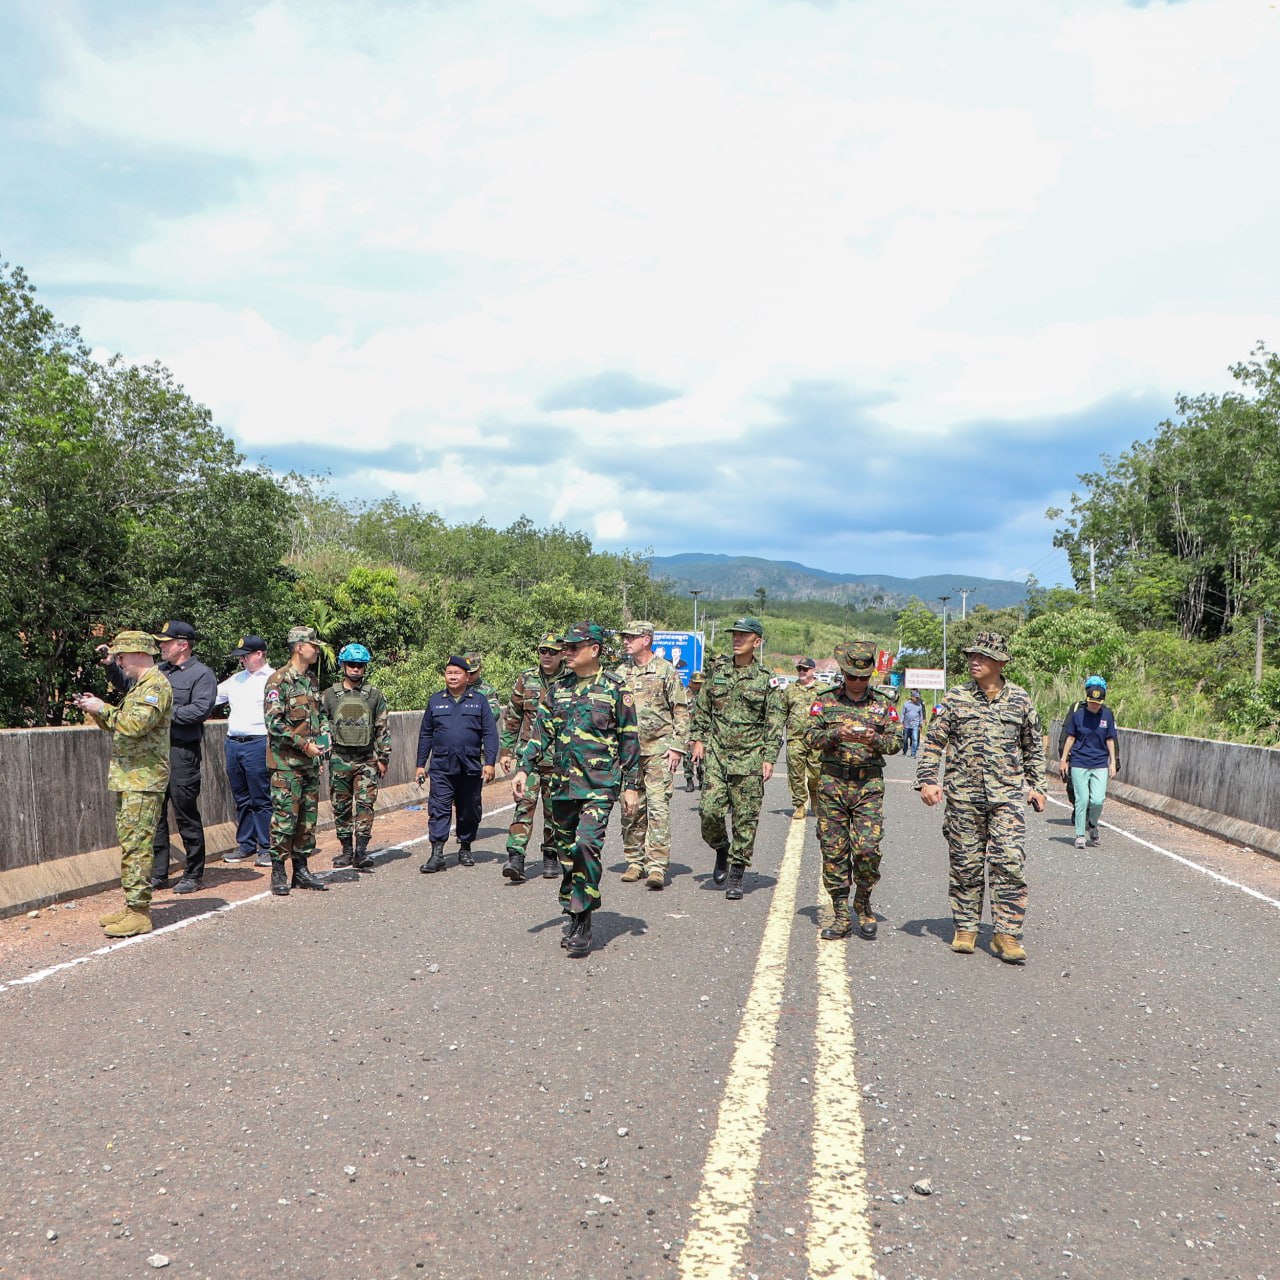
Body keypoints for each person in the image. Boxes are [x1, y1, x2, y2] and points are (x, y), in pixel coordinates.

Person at [915, 630, 1046, 964]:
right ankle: (966, 927)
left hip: (1007, 798)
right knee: (966, 864)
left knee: (1009, 862)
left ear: (1000, 663)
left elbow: (1033, 746)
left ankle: (1006, 934)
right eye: (972, 656)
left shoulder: (1020, 700)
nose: (974, 661)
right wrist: (928, 780)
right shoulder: (955, 698)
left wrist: (1037, 786)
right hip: (963, 797)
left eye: (982, 657)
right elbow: (933, 742)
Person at [512, 621, 640, 958]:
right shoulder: (558, 690)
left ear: (594, 650)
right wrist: (524, 768)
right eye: (564, 647)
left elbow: (629, 740)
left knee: (586, 845)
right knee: (568, 855)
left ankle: (583, 919)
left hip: (599, 786)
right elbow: (540, 734)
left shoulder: (615, 689)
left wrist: (631, 786)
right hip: (563, 786)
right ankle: (573, 910)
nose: (565, 652)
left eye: (573, 647)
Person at [103, 620, 216, 895]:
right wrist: (110, 665)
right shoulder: (158, 672)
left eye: (167, 642)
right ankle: (158, 872)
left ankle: (193, 872)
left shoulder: (201, 674)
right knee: (155, 815)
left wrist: (161, 715)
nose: (161, 646)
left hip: (180, 751)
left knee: (185, 811)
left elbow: (200, 710)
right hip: (153, 754)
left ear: (183, 645)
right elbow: (127, 686)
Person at [74, 631, 174, 937]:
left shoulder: (156, 686)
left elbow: (135, 725)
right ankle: (132, 906)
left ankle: (139, 912)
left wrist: (103, 708)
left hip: (143, 779)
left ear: (140, 654)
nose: (119, 662)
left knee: (137, 846)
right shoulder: (140, 686)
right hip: (130, 778)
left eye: (122, 656)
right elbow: (119, 724)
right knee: (130, 844)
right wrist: (95, 710)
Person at [804, 641, 902, 940]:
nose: (857, 682)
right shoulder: (825, 700)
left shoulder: (883, 703)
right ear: (844, 674)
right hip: (832, 784)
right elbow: (809, 736)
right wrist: (836, 734)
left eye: (863, 677)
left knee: (867, 849)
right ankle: (841, 913)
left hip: (867, 786)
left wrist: (874, 739)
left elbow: (896, 743)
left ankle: (863, 899)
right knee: (833, 851)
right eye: (852, 676)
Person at [689, 617, 784, 899]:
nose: (737, 639)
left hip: (750, 758)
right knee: (709, 811)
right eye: (735, 635)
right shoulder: (718, 671)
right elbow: (703, 708)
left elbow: (774, 721)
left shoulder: (766, 679)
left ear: (757, 642)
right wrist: (698, 739)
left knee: (745, 818)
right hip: (717, 755)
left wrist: (769, 757)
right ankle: (721, 848)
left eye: (743, 635)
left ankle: (737, 873)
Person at [614, 620, 690, 889]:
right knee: (631, 809)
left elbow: (680, 710)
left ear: (646, 639)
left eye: (631, 637)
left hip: (658, 751)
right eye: (625, 637)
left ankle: (656, 865)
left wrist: (677, 746)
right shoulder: (620, 672)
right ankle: (635, 861)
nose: (626, 641)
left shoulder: (665, 670)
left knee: (658, 809)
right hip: (629, 754)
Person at [264, 626, 332, 896]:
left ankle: (301, 870)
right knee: (284, 819)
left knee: (307, 820)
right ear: (299, 647)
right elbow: (274, 724)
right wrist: (304, 745)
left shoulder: (311, 680)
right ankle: (278, 871)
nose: (317, 650)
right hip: (286, 765)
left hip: (310, 764)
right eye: (313, 646)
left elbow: (320, 714)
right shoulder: (278, 681)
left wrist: (325, 734)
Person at [416, 657, 498, 872]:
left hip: (470, 765)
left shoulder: (479, 701)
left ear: (467, 677)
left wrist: (490, 762)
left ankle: (465, 846)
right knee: (439, 808)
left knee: (469, 809)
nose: (452, 677)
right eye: (449, 672)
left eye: (457, 673)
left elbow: (490, 733)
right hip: (442, 766)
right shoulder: (435, 701)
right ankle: (437, 854)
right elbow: (426, 734)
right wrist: (420, 764)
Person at [498, 633, 566, 883]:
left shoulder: (571, 681)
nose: (546, 656)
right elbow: (513, 716)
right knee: (523, 805)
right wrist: (506, 750)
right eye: (542, 651)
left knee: (554, 810)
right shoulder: (526, 679)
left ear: (562, 654)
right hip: (529, 758)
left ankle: (551, 854)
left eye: (552, 651)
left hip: (559, 758)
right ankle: (516, 856)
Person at [322, 643, 391, 873]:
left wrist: (384, 757)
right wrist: (320, 756)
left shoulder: (374, 695)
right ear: (343, 665)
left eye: (360, 665)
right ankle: (346, 851)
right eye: (351, 664)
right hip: (339, 758)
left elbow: (382, 727)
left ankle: (361, 852)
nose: (356, 669)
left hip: (366, 759)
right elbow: (320, 724)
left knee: (365, 805)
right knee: (341, 806)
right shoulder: (329, 695)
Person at [214, 635, 274, 868]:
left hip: (258, 742)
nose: (243, 660)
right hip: (234, 742)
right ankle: (246, 844)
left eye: (246, 656)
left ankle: (266, 847)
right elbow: (211, 697)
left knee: (261, 797)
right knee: (241, 797)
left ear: (259, 654)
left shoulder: (272, 679)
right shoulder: (235, 680)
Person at [1058, 676, 1118, 849]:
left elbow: (1110, 739)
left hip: (1099, 763)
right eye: (1091, 702)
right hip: (1079, 761)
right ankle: (1080, 835)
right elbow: (1070, 737)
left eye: (1097, 703)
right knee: (1082, 800)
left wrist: (1113, 762)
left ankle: (1092, 824)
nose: (1094, 706)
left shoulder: (1107, 715)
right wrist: (1064, 760)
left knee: (1097, 800)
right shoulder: (1078, 714)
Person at [780, 656, 822, 818]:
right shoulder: (790, 690)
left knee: (817, 773)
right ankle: (799, 804)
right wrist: (777, 732)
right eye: (799, 669)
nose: (802, 672)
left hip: (817, 738)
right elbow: (782, 712)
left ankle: (815, 797)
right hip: (795, 738)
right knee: (795, 773)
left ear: (813, 670)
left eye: (805, 669)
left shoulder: (823, 689)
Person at [464, 651, 503, 726]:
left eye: (472, 673)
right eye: (466, 672)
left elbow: (494, 714)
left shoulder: (488, 690)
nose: (469, 676)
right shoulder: (455, 688)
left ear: (480, 669)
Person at [683, 672, 706, 793]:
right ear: (690, 682)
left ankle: (702, 778)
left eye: (700, 683)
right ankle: (689, 779)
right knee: (688, 757)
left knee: (703, 757)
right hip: (688, 730)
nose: (698, 686)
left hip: (703, 730)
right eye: (695, 683)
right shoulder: (683, 694)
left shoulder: (706, 694)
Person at [900, 689, 926, 758]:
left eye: (918, 698)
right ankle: (904, 751)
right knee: (905, 739)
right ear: (912, 697)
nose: (917, 699)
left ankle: (913, 753)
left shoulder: (919, 705)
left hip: (915, 724)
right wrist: (901, 723)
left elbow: (921, 716)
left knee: (915, 739)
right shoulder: (906, 704)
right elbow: (902, 714)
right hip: (906, 724)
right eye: (916, 698)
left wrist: (920, 725)